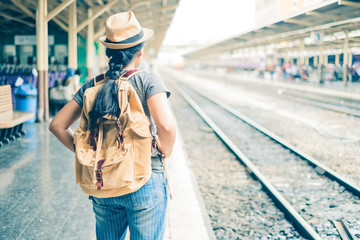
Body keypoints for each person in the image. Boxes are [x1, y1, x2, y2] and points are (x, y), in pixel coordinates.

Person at [49, 11, 176, 240]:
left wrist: (85, 152)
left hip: (103, 181)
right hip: (144, 181)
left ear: (109, 52)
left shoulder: (92, 84)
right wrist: (164, 150)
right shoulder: (148, 80)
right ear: (140, 52)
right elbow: (166, 127)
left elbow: (57, 125)